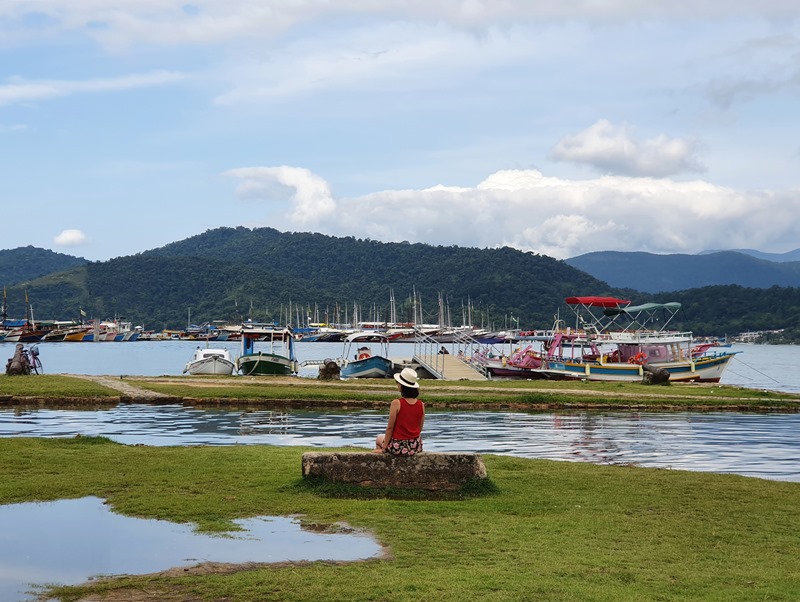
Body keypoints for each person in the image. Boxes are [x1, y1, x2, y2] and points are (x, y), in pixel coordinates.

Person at [374, 367, 424, 456]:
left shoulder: (396, 403)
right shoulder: (421, 404)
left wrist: (384, 447)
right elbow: (419, 428)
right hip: (415, 445)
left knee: (379, 439)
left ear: (401, 385)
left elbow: (390, 427)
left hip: (399, 446)